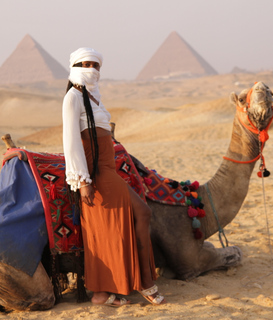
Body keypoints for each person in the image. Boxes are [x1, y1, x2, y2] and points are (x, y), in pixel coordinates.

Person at [62, 47, 166, 307]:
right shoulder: (73, 97)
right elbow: (71, 141)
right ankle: (142, 283)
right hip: (97, 173)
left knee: (117, 226)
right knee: (141, 212)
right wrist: (83, 181)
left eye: (95, 65)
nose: (91, 69)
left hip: (109, 169)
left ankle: (101, 294)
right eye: (85, 64)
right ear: (75, 66)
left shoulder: (95, 96)